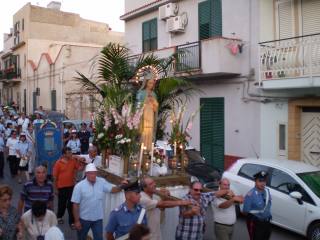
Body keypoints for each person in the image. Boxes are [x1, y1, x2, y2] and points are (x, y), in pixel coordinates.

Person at [71, 163, 127, 240]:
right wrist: (77, 221)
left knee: (99, 238)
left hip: (98, 219)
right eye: (91, 173)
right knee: (81, 238)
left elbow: (113, 190)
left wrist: (122, 185)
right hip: (84, 219)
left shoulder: (101, 181)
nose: (93, 175)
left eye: (94, 173)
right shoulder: (79, 186)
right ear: (86, 174)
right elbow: (75, 205)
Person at [52, 147, 85, 227]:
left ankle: (72, 221)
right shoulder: (58, 163)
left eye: (71, 152)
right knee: (61, 204)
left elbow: (80, 168)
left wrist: (82, 163)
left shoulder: (73, 161)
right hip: (61, 187)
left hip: (71, 186)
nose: (71, 154)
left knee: (71, 204)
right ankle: (59, 217)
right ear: (64, 154)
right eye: (69, 153)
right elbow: (55, 178)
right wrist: (55, 189)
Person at [242, 171, 272, 240]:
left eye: (264, 181)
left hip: (267, 222)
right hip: (256, 223)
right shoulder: (250, 195)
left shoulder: (267, 191)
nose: (263, 183)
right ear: (255, 181)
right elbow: (245, 211)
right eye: (260, 181)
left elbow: (268, 206)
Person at [136, 77, 159, 152]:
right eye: (150, 83)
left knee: (150, 133)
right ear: (146, 83)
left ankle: (149, 152)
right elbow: (137, 106)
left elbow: (155, 109)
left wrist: (153, 101)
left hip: (151, 116)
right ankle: (141, 152)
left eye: (152, 83)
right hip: (143, 117)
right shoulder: (141, 93)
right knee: (143, 134)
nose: (151, 85)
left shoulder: (153, 94)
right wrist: (145, 101)